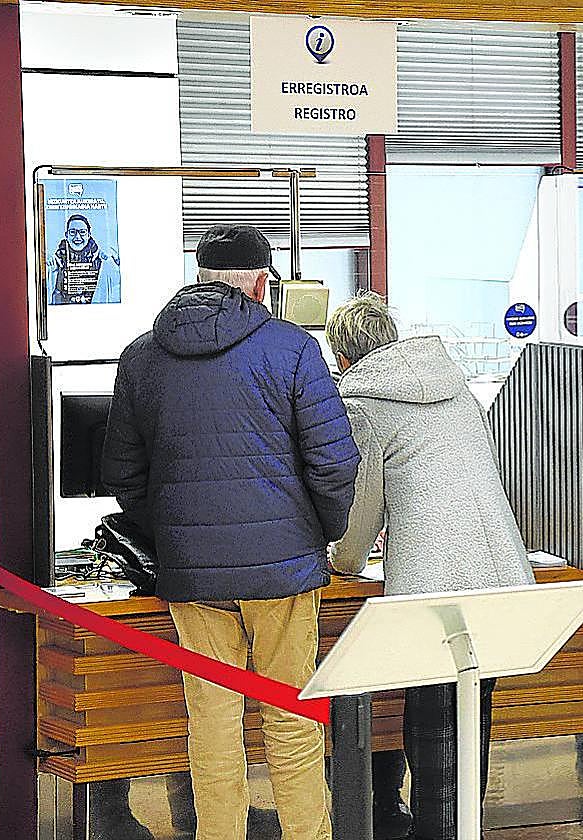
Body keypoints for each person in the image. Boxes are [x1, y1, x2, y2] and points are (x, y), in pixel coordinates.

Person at [102, 224, 360, 840]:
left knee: (212, 722)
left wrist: (171, 536)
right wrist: (316, 535)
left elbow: (122, 472)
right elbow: (335, 460)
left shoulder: (143, 354)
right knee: (292, 721)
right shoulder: (293, 348)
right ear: (262, 280)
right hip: (284, 570)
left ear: (200, 274)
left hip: (193, 575)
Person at [325, 292, 535, 840]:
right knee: (472, 718)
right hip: (499, 573)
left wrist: (343, 561)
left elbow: (363, 507)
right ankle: (466, 828)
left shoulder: (362, 405)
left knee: (431, 725)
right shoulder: (455, 388)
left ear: (342, 360)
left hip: (433, 581)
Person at [48, 213, 121, 305]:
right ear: (66, 235)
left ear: (89, 234)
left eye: (82, 232)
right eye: (72, 232)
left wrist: (116, 261)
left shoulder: (102, 260)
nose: (77, 237)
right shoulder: (57, 259)